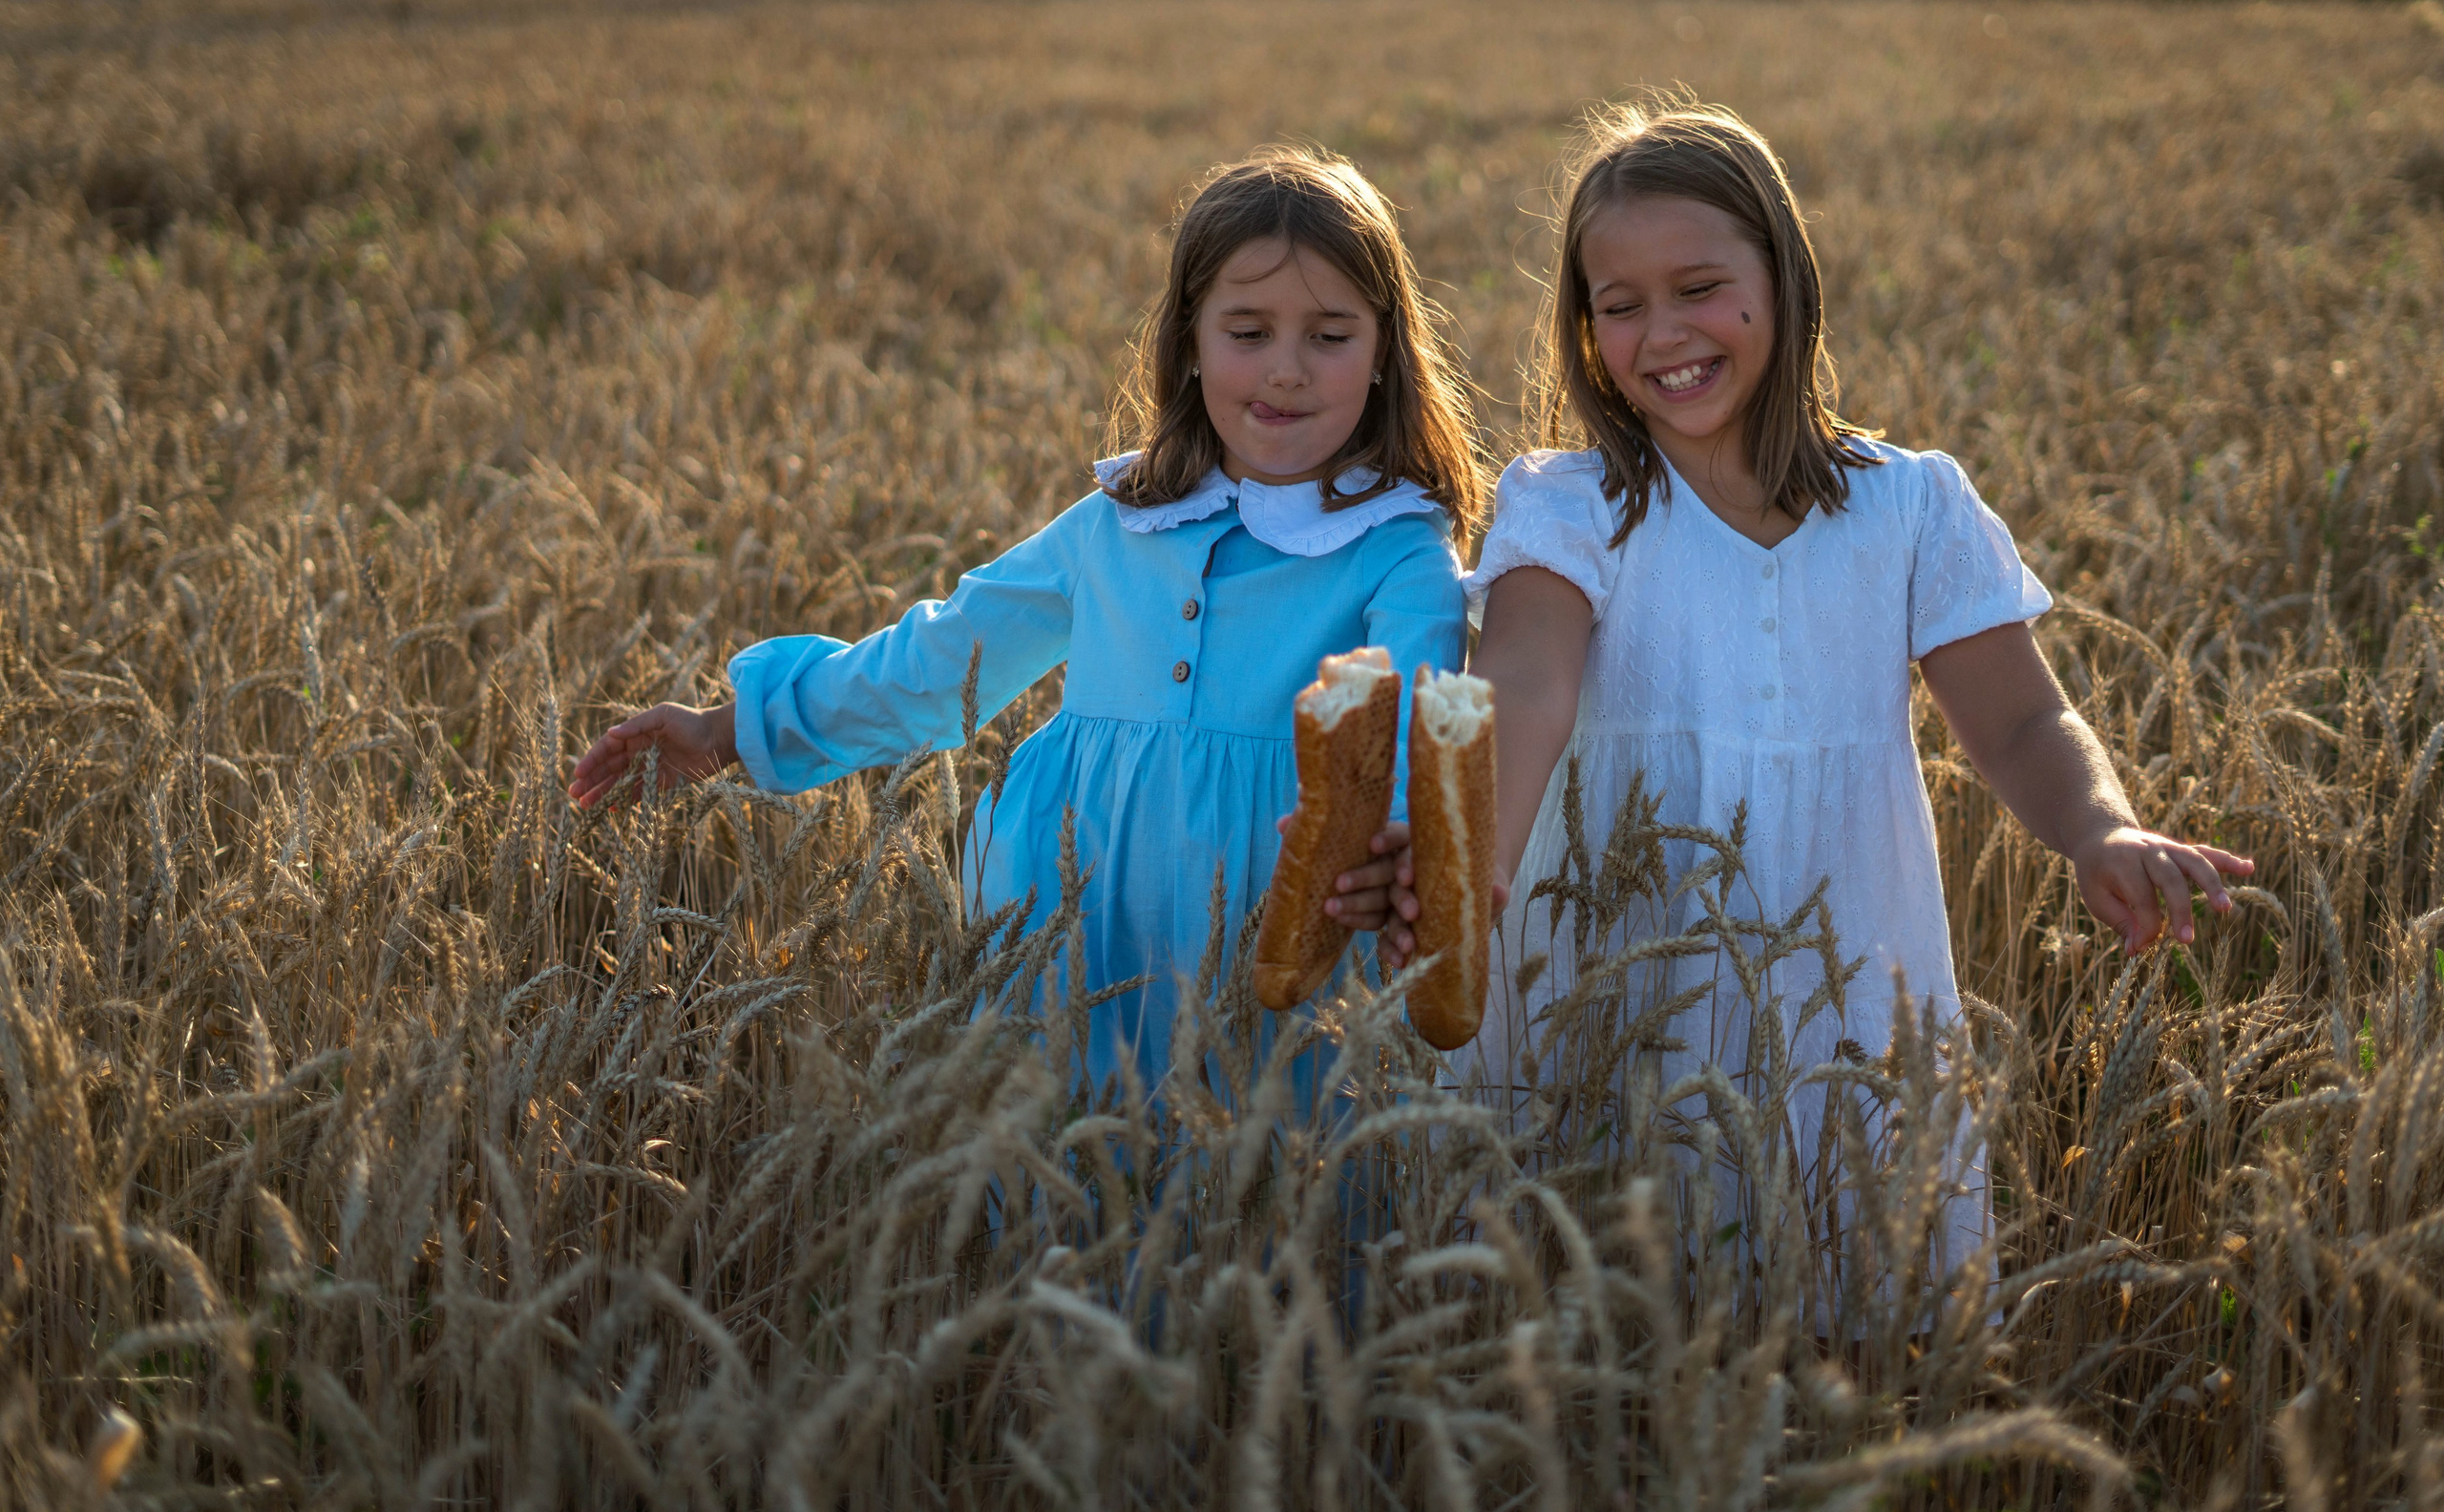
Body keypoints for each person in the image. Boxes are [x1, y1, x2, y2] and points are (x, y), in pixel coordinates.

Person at [1449, 102, 2251, 1265]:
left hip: (1839, 978)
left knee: (1846, 1280)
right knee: (1604, 1300)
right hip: (1616, 970)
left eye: (1698, 287)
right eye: (1618, 306)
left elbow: (2023, 717)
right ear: (1584, 330)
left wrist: (2102, 828)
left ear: (1783, 279)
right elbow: (1523, 680)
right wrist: (1476, 849)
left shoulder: (1907, 507)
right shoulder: (1571, 505)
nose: (1662, 330)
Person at [567, 146, 1482, 1099]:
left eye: (1329, 336)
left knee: (1270, 1197)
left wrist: (1399, 865)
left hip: (1284, 940)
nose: (1285, 370)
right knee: (1070, 1181)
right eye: (1246, 331)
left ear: (1383, 354)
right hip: (1073, 925)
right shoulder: (1117, 524)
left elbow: (1418, 749)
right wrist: (730, 732)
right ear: (1188, 342)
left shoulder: (1399, 552)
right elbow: (940, 659)